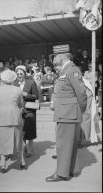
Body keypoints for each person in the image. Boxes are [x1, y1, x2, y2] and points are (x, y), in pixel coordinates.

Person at [46, 44, 87, 182]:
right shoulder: (66, 70)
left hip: (68, 113)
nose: (54, 62)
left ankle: (62, 174)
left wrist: (80, 109)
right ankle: (72, 169)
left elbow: (81, 92)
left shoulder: (71, 70)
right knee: (69, 143)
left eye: (55, 58)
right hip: (67, 112)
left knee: (63, 144)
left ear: (62, 57)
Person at [0, 69, 26, 173]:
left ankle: (3, 165)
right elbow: (21, 104)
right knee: (18, 140)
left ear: (2, 79)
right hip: (15, 117)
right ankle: (22, 161)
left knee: (3, 142)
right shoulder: (18, 90)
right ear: (13, 79)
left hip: (3, 117)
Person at [15, 65, 39, 158]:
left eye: (21, 73)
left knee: (30, 129)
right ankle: (23, 147)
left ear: (25, 74)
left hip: (29, 109)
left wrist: (26, 95)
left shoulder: (31, 82)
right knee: (21, 129)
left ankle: (30, 149)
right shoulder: (14, 83)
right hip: (18, 109)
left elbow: (36, 96)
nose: (19, 75)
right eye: (17, 74)